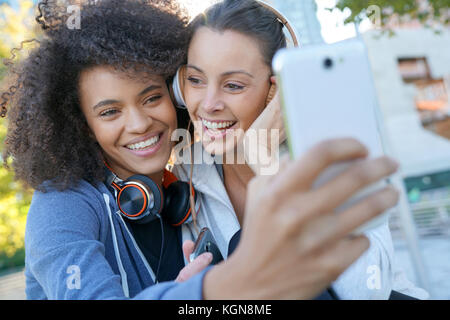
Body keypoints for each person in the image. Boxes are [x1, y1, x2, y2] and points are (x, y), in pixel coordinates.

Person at [1, 0, 399, 300]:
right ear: (78, 123)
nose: (139, 124)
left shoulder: (184, 184)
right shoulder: (62, 204)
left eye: (151, 97)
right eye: (109, 111)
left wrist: (261, 163)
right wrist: (215, 289)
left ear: (172, 96)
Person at [172, 0, 429, 299]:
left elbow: (363, 292)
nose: (208, 104)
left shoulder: (328, 157)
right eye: (195, 80)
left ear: (275, 91)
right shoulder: (189, 170)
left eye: (233, 85)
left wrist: (263, 158)